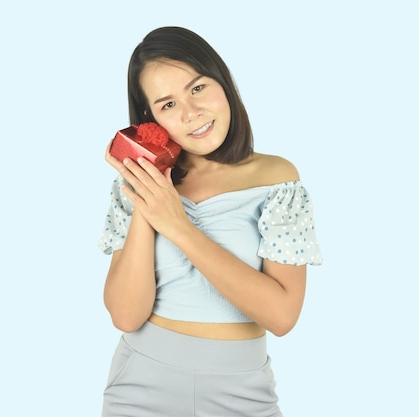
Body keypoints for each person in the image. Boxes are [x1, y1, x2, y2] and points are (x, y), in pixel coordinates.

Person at [99, 26, 322, 417]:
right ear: (149, 119)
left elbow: (282, 315)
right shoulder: (139, 187)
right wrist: (149, 190)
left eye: (198, 88)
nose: (190, 113)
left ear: (223, 81)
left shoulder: (277, 179)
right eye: (167, 105)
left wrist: (179, 225)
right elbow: (125, 315)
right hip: (140, 387)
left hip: (243, 394)